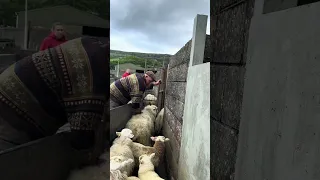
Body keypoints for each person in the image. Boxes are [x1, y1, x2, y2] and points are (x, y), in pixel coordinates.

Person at [0, 37, 109, 163]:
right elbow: (82, 127)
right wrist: (89, 160)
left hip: (13, 91)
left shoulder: (95, 46)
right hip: (12, 107)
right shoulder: (95, 69)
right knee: (11, 162)